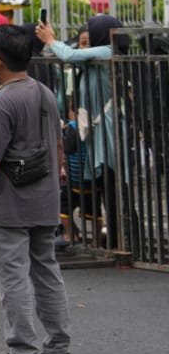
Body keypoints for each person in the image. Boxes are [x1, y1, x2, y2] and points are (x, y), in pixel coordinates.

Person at [0, 25, 71, 354]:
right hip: (45, 197)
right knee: (46, 270)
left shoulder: (3, 101)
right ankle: (57, 343)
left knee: (13, 275)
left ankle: (22, 350)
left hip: (11, 201)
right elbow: (56, 142)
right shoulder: (43, 92)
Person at [35, 14, 122, 247]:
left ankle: (120, 242)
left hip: (108, 128)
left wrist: (50, 39)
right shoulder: (101, 53)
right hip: (99, 129)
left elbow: (69, 54)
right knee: (108, 184)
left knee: (113, 185)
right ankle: (116, 240)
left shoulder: (106, 51)